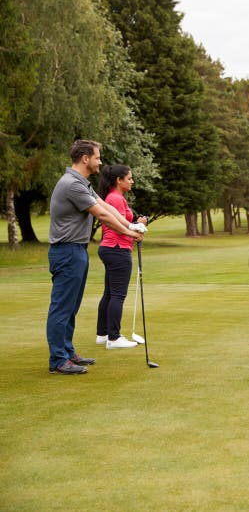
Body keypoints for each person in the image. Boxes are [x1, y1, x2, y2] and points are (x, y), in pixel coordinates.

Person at [46, 140, 146, 375]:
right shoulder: (72, 184)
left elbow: (106, 207)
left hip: (77, 251)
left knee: (71, 307)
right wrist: (130, 233)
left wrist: (131, 225)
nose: (100, 161)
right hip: (66, 251)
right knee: (62, 308)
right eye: (97, 157)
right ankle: (58, 360)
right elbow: (102, 214)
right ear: (85, 159)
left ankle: (68, 353)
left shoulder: (82, 183)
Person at [95, 164, 148, 350]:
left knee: (109, 293)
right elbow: (117, 225)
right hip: (117, 249)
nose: (132, 181)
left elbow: (123, 223)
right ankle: (114, 338)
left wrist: (136, 224)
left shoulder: (114, 197)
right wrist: (136, 227)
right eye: (129, 178)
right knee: (118, 295)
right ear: (119, 180)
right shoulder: (115, 199)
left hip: (111, 248)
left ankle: (103, 334)